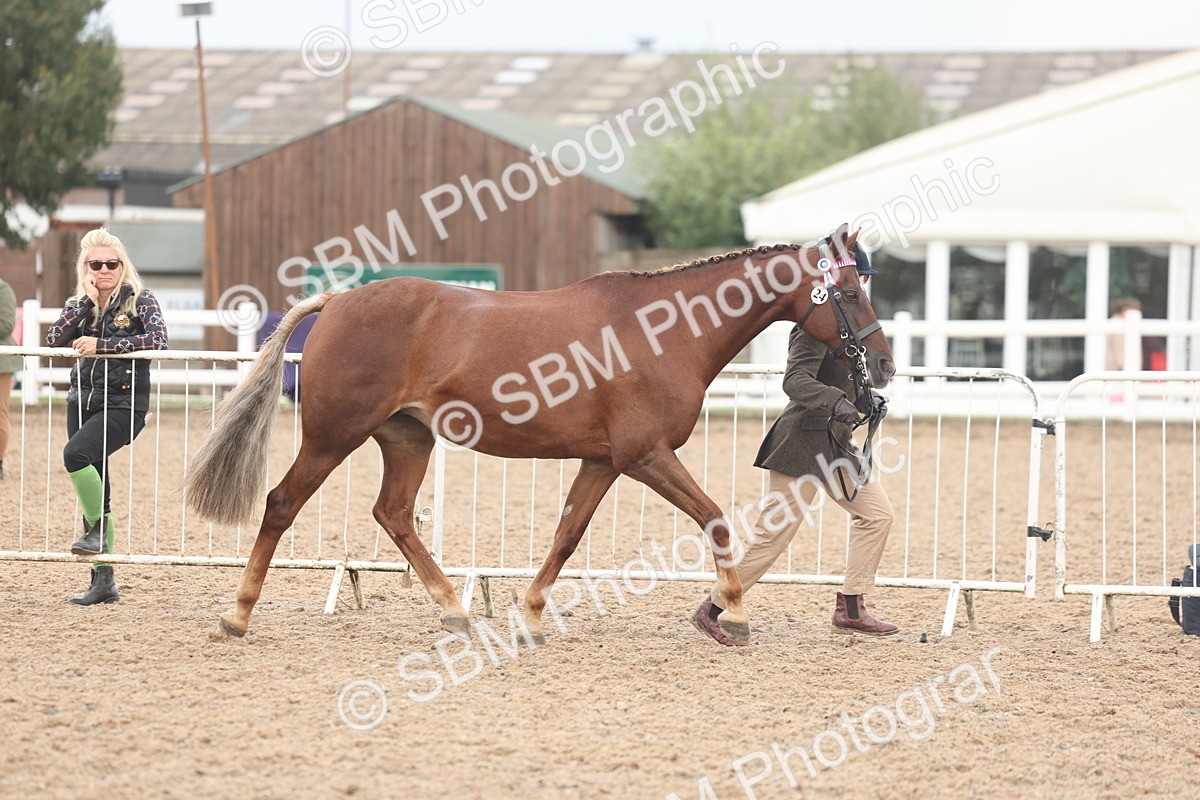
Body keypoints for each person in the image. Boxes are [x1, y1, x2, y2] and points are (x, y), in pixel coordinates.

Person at [692, 244, 898, 645]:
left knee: (877, 515)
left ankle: (851, 606)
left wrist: (864, 401)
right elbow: (795, 380)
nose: (865, 288)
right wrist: (836, 401)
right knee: (774, 536)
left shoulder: (851, 326)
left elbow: (846, 378)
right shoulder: (814, 324)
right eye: (862, 281)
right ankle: (712, 608)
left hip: (836, 443)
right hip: (802, 441)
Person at [45, 227, 168, 605]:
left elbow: (158, 340)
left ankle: (97, 533)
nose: (104, 270)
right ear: (86, 266)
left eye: (111, 263)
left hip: (124, 405)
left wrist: (104, 346)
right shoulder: (78, 303)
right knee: (97, 487)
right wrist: (85, 300)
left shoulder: (140, 300)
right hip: (80, 402)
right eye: (95, 264)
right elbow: (54, 340)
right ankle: (103, 581)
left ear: (122, 265)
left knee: (74, 455)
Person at [0, 276, 19, 481]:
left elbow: (6, 325)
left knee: (0, 411)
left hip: (1, 362)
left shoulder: (3, 289)